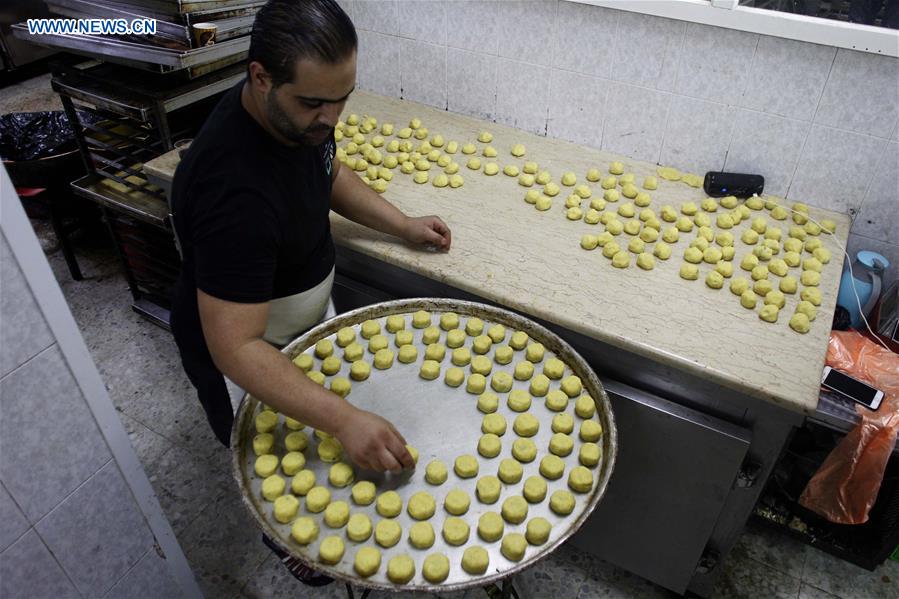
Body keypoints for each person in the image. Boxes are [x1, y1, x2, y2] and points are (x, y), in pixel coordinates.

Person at [170, 1, 451, 482]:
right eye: (315, 103)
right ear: (261, 77)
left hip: (299, 329)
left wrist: (401, 224)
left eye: (343, 98)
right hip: (253, 357)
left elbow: (329, 173)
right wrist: (342, 419)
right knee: (281, 481)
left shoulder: (295, 120)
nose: (332, 118)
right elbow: (235, 347)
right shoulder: (233, 193)